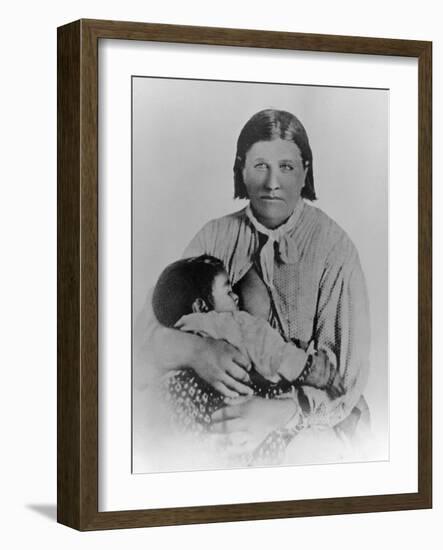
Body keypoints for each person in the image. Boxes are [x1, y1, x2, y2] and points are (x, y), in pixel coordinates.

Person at [135, 108, 371, 466]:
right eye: (260, 166)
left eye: (287, 167)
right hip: (219, 412)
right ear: (241, 170)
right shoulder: (215, 235)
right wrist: (196, 352)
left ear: (306, 170)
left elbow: (346, 383)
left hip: (308, 427)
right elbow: (146, 335)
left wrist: (277, 413)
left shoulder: (335, 250)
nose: (272, 183)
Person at [152, 254, 345, 444]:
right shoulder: (230, 322)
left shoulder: (179, 334)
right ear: (201, 306)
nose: (236, 296)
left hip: (198, 418)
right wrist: (309, 369)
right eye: (228, 291)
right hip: (241, 412)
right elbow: (268, 348)